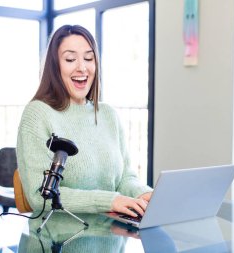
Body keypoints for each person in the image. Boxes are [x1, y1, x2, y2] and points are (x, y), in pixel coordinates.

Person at [17, 24, 152, 218]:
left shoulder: (108, 115)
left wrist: (145, 194)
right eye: (70, 59)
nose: (82, 67)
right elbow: (40, 196)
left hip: (111, 238)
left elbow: (124, 178)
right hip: (59, 239)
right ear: (55, 66)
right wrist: (110, 201)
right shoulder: (38, 114)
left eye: (89, 58)